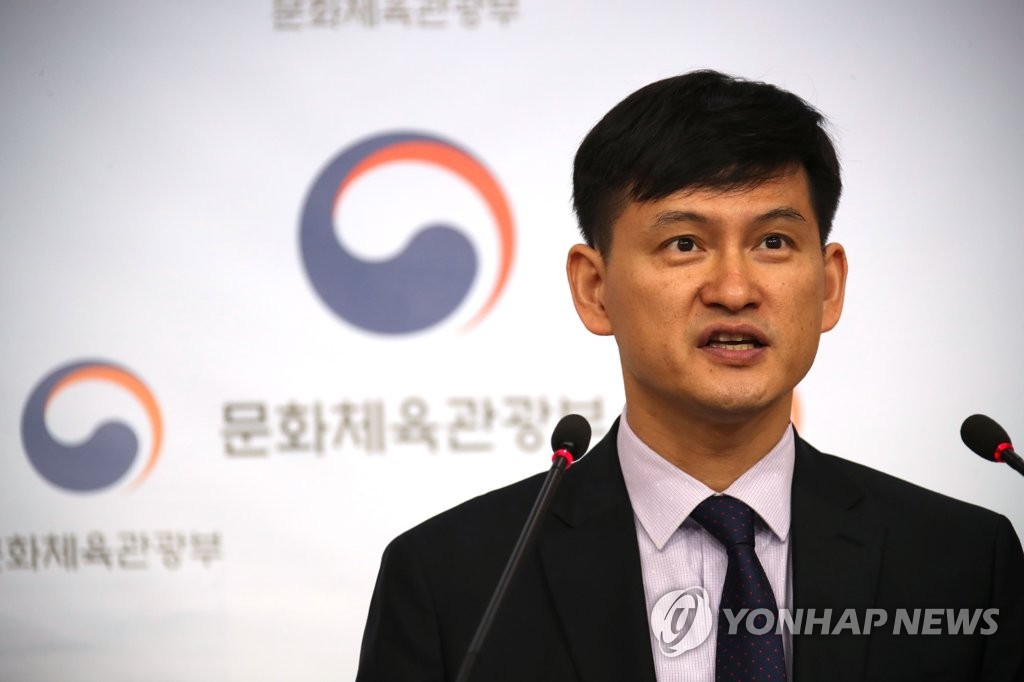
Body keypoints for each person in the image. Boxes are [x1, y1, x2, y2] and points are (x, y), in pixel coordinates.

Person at [356, 70, 1024, 682]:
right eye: (684, 244)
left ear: (828, 286)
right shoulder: (453, 583)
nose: (734, 290)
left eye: (773, 242)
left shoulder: (963, 562)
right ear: (594, 289)